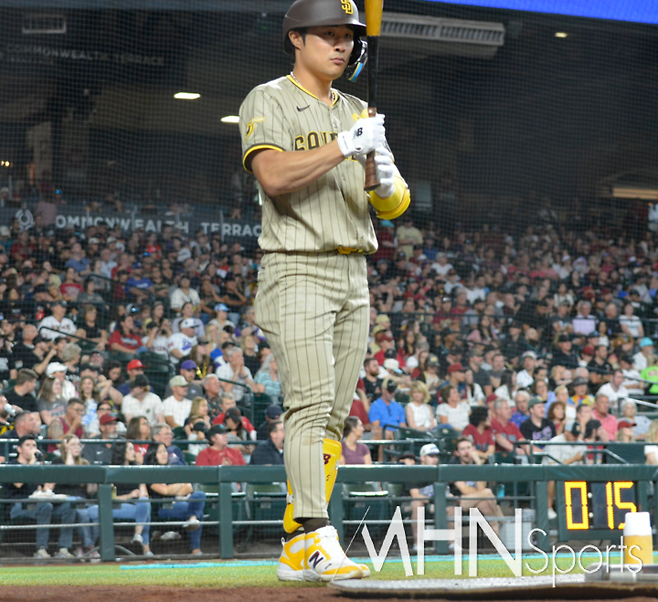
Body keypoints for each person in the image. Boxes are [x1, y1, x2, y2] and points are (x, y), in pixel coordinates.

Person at [242, 0, 410, 583]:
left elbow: (393, 207)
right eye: (328, 35)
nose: (341, 45)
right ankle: (315, 533)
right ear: (296, 38)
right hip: (296, 266)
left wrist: (383, 177)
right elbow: (273, 176)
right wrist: (343, 145)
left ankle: (296, 542)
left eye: (348, 37)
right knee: (308, 406)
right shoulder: (268, 98)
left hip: (353, 270)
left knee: (335, 417)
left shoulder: (359, 107)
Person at [3, 434, 77, 558]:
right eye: (28, 445)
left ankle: (63, 549)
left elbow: (42, 489)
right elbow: (18, 484)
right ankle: (41, 549)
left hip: (38, 506)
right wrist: (32, 462)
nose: (32, 449)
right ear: (19, 449)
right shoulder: (11, 465)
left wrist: (47, 488)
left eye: (34, 446)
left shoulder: (39, 467)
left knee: (68, 506)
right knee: (45, 506)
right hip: (17, 507)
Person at [87, 441, 152, 557]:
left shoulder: (137, 469)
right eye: (130, 449)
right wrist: (130, 496)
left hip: (135, 507)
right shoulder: (111, 469)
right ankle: (145, 548)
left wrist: (141, 494)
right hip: (117, 506)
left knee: (145, 504)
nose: (134, 452)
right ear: (122, 452)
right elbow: (108, 498)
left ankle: (138, 534)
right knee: (144, 512)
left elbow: (145, 493)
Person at [144, 442, 206, 555]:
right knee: (198, 513)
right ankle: (195, 548)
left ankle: (192, 519)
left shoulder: (172, 469)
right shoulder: (150, 472)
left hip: (180, 502)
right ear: (153, 455)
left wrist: (172, 488)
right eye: (160, 452)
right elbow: (164, 491)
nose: (164, 454)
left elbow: (189, 487)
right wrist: (178, 486)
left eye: (164, 451)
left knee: (200, 495)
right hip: (162, 507)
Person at [51, 435, 98, 559]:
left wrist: (93, 479)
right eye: (73, 445)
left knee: (97, 513)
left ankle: (82, 547)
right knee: (82, 514)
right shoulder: (57, 462)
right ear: (65, 446)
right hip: (66, 501)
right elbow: (67, 480)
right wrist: (69, 456)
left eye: (79, 445)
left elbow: (90, 491)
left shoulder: (84, 463)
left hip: (84, 501)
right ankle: (90, 547)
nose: (77, 448)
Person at [448, 437, 504, 535]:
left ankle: (498, 545)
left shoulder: (477, 464)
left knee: (485, 505)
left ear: (473, 449)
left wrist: (478, 463)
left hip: (476, 500)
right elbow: (465, 490)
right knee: (487, 493)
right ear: (457, 453)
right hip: (460, 502)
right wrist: (480, 492)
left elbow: (480, 488)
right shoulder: (454, 466)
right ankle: (502, 520)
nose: (466, 452)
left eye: (468, 448)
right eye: (462, 449)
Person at [542, 420, 585, 517]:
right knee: (552, 478)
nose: (576, 437)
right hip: (553, 474)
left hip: (573, 474)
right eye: (573, 435)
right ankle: (548, 507)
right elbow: (553, 467)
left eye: (577, 435)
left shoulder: (581, 443)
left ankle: (579, 511)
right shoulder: (555, 442)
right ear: (566, 432)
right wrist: (574, 459)